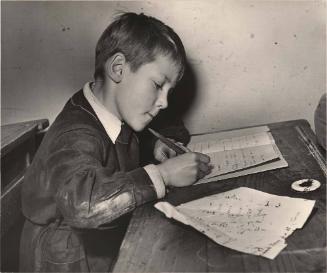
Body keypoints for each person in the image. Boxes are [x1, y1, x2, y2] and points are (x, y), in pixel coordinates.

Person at [19, 12, 212, 272]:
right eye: (157, 85)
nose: (164, 102)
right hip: (65, 260)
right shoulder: (74, 133)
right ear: (118, 68)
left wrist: (151, 147)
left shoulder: (107, 112)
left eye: (169, 91)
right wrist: (163, 176)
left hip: (93, 245)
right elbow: (85, 205)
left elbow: (111, 146)